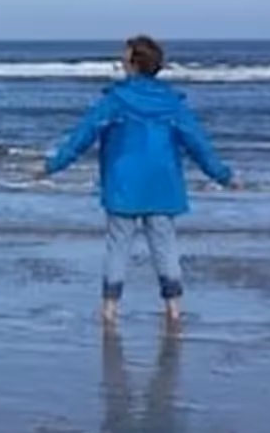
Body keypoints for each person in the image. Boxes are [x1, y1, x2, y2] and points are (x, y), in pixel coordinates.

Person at [40, 36, 236, 323]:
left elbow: (84, 135)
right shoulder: (171, 102)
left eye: (125, 56)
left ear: (134, 63)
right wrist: (222, 175)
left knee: (118, 246)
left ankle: (110, 310)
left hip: (123, 182)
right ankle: (173, 310)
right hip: (162, 183)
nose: (121, 60)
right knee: (165, 246)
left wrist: (52, 166)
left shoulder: (116, 100)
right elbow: (197, 143)